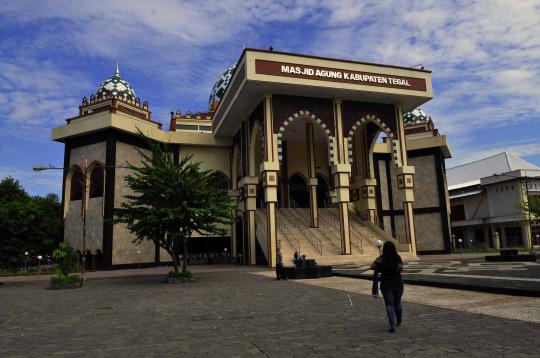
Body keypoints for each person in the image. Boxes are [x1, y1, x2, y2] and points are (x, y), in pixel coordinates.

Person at [370, 241, 404, 333]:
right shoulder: (397, 257)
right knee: (397, 303)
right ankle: (399, 321)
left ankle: (392, 324)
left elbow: (372, 267)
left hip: (386, 284)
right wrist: (393, 268)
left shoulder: (381, 259)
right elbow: (400, 268)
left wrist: (381, 264)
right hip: (397, 283)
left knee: (389, 304)